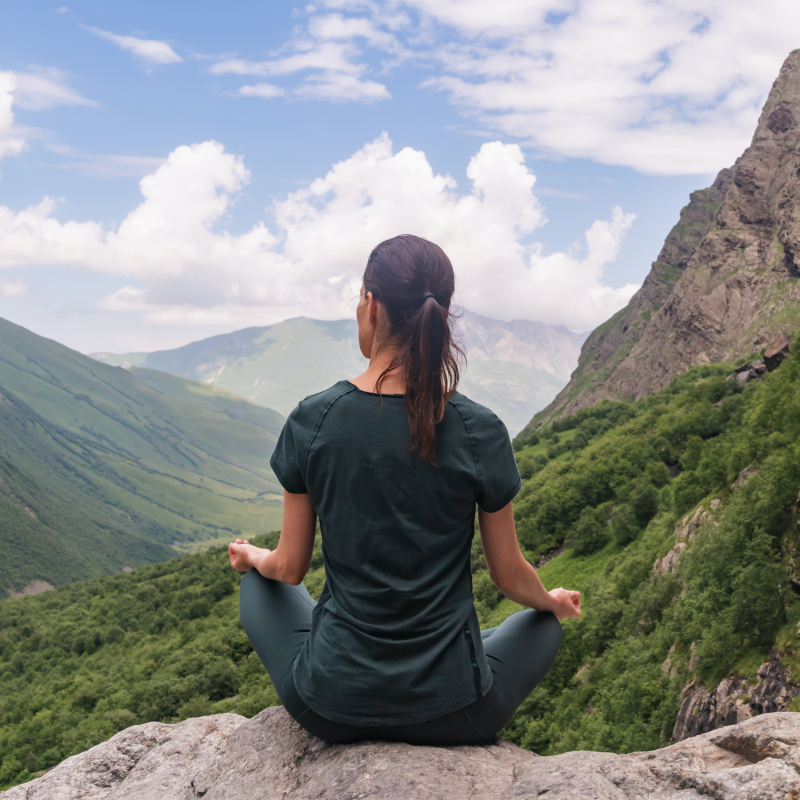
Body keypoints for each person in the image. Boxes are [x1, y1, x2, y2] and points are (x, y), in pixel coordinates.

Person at [228, 234, 581, 745]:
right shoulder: (478, 428)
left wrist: (251, 557)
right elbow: (509, 576)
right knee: (545, 624)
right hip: (456, 714)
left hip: (330, 707)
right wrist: (548, 600)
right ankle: (458, 650)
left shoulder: (315, 419)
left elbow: (288, 569)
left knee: (259, 583)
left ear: (371, 306)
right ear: (442, 315)